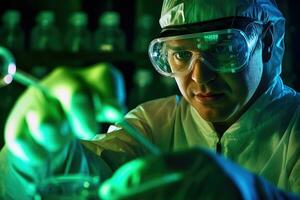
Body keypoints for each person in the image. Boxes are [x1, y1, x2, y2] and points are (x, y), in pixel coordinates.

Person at [1, 0, 300, 199]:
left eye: (223, 48)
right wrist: (37, 158)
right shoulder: (153, 123)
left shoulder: (295, 128)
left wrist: (249, 193)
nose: (199, 77)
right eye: (181, 55)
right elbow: (87, 175)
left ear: (267, 42)